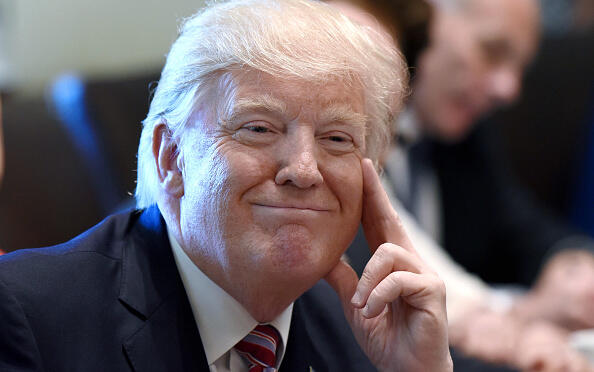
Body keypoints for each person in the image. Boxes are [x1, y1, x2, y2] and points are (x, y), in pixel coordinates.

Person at [0, 1, 453, 371]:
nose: (303, 169)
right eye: (258, 129)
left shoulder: (366, 334)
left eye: (336, 139)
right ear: (171, 156)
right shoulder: (27, 314)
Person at [330, 0, 594, 370]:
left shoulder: (463, 131)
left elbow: (521, 228)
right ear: (424, 20)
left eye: (519, 66)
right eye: (492, 51)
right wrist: (512, 316)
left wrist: (573, 262)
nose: (509, 89)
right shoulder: (335, 144)